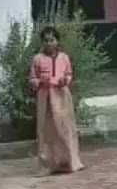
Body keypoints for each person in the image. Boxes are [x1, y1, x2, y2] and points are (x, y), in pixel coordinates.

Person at [28, 27, 84, 175]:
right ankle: (48, 164)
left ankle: (70, 161)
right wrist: (39, 81)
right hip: (45, 96)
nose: (49, 43)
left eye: (52, 40)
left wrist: (65, 80)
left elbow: (69, 73)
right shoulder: (37, 59)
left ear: (57, 41)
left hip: (61, 95)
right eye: (46, 40)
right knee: (46, 129)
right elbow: (32, 79)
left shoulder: (64, 57)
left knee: (65, 127)